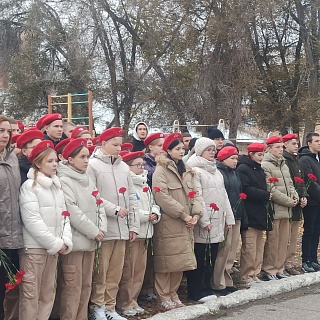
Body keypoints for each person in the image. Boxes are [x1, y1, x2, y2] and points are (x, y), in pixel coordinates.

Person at [87, 127, 139, 320]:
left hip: (122, 228)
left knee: (116, 271)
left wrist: (133, 225)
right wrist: (114, 209)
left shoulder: (124, 167)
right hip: (104, 226)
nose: (119, 148)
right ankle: (97, 307)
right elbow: (93, 194)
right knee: (101, 271)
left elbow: (132, 198)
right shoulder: (92, 165)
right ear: (103, 144)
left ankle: (110, 307)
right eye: (114, 144)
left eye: (120, 144)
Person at [19, 140, 73, 320]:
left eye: (55, 161)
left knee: (47, 294)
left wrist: (65, 240)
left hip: (53, 249)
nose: (54, 164)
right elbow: (32, 220)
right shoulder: (30, 187)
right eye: (49, 161)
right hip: (35, 249)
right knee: (31, 295)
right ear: (38, 163)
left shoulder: (56, 186)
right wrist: (55, 243)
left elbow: (65, 216)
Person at [57, 138, 108, 320]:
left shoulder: (87, 179)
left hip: (91, 241)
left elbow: (99, 203)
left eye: (87, 156)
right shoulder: (64, 180)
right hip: (77, 243)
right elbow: (72, 211)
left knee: (86, 286)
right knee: (72, 287)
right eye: (82, 157)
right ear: (70, 160)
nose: (87, 160)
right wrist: (94, 231)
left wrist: (101, 228)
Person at [152, 132, 202, 310]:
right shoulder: (161, 170)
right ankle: (163, 295)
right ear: (168, 150)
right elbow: (162, 196)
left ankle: (174, 293)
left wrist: (196, 214)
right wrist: (183, 214)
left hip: (186, 223)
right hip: (170, 222)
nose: (182, 151)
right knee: (166, 262)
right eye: (177, 149)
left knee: (180, 261)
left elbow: (195, 193)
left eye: (183, 148)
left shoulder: (187, 169)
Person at [186, 138, 234, 301]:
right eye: (209, 150)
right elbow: (197, 197)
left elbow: (223, 195)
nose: (213, 152)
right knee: (200, 255)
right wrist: (205, 221)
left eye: (214, 150)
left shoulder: (215, 170)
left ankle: (206, 287)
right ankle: (196, 290)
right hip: (205, 221)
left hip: (218, 218)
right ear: (200, 151)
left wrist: (229, 216)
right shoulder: (195, 170)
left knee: (211, 255)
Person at [117, 151, 161, 316]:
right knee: (129, 270)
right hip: (135, 232)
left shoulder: (144, 183)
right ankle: (124, 302)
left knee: (139, 270)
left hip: (147, 232)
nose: (142, 168)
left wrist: (155, 213)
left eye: (143, 164)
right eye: (137, 165)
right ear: (128, 166)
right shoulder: (128, 183)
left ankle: (133, 300)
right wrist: (145, 216)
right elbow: (130, 208)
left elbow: (153, 203)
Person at [261, 136, 298, 280]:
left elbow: (289, 183)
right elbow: (271, 189)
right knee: (273, 241)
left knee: (284, 241)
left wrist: (295, 195)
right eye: (277, 147)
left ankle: (280, 268)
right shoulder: (265, 165)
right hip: (275, 209)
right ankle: (269, 269)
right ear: (269, 149)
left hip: (287, 210)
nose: (280, 150)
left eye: (281, 147)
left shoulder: (284, 164)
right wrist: (289, 201)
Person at [237, 143, 272, 285]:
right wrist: (264, 195)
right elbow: (245, 188)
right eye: (259, 155)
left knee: (258, 245)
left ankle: (255, 273)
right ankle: (246, 275)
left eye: (263, 154)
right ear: (251, 154)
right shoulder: (243, 169)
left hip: (260, 212)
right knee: (250, 247)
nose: (261, 158)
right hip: (250, 212)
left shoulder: (259, 169)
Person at [213, 146, 246, 295]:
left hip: (236, 215)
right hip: (225, 216)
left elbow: (239, 194)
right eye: (232, 158)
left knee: (232, 250)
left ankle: (227, 280)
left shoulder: (234, 173)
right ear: (223, 159)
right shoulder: (219, 172)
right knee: (224, 250)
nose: (235, 161)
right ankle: (218, 282)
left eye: (236, 158)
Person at [0, 115, 23, 320]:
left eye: (8, 131)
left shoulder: (12, 157)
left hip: (13, 236)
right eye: (1, 130)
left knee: (10, 288)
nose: (6, 135)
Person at [282, 134, 307, 275]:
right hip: (289, 202)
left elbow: (301, 180)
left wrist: (303, 195)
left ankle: (289, 263)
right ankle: (282, 263)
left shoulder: (296, 160)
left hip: (298, 203)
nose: (296, 145)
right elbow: (288, 182)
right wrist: (294, 196)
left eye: (297, 143)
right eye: (293, 143)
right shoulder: (285, 160)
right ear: (285, 144)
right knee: (284, 236)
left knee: (293, 236)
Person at [298, 132, 320, 272]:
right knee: (309, 231)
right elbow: (310, 182)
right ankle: (306, 259)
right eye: (317, 141)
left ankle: (313, 258)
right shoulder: (305, 159)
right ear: (309, 143)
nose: (319, 143)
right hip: (312, 201)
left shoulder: (318, 158)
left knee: (317, 231)